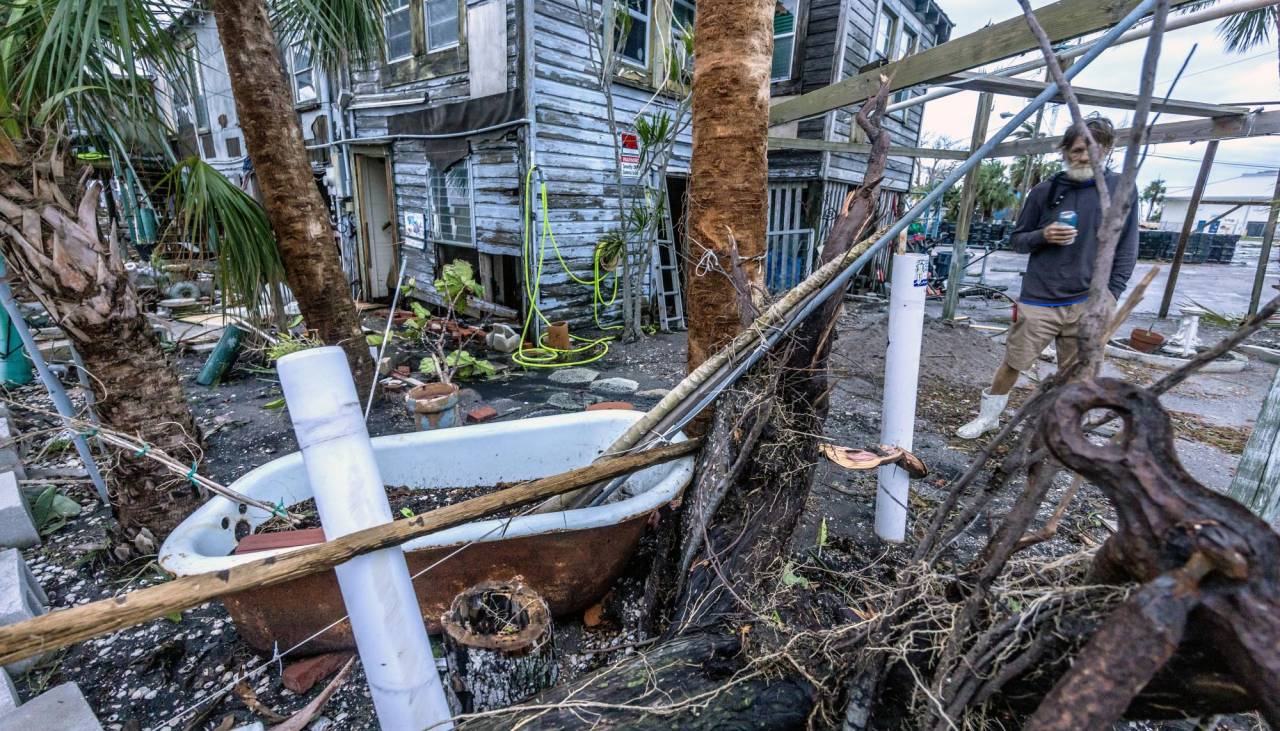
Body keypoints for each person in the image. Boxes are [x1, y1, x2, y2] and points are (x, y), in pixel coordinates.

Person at [956, 117, 1138, 439]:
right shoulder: (1046, 191)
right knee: (1014, 361)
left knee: (1077, 373)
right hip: (1041, 297)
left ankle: (1065, 428)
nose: (1085, 158)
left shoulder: (1121, 189)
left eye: (1095, 151)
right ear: (1065, 150)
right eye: (1078, 150)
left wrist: (1112, 294)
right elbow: (1018, 239)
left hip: (1089, 299)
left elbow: (1127, 247)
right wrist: (1043, 235)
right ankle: (989, 418)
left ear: (1108, 150)